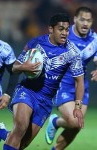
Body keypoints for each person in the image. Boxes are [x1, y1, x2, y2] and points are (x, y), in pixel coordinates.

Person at [0, 13, 85, 150]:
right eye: (60, 29)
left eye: (67, 29)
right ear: (51, 29)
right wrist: (23, 67)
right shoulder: (36, 43)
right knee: (20, 127)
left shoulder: (72, 53)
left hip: (46, 100)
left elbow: (79, 81)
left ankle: (0, 132)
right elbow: (14, 67)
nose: (64, 33)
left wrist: (78, 107)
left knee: (22, 144)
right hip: (28, 91)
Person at [45, 7, 97, 150]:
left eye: (89, 20)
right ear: (75, 19)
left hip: (81, 84)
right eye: (82, 19)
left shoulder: (94, 40)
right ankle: (55, 122)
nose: (85, 23)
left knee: (77, 125)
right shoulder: (64, 34)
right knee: (73, 121)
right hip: (63, 83)